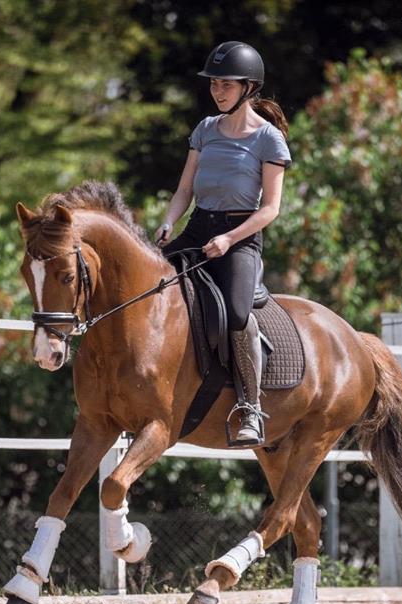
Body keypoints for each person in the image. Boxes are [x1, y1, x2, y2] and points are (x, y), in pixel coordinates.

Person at [156, 41, 291, 447]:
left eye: (226, 85)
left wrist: (230, 239)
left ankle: (250, 407)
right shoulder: (205, 130)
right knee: (151, 286)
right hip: (198, 228)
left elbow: (271, 209)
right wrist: (168, 222)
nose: (217, 91)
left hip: (240, 237)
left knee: (235, 313)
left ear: (249, 88)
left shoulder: (269, 140)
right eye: (214, 84)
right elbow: (184, 190)